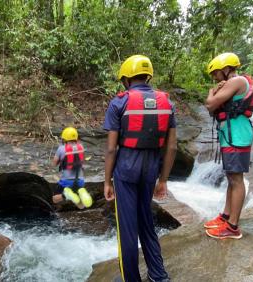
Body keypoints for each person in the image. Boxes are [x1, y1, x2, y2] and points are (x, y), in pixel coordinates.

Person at [103, 55, 176, 282]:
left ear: (126, 79)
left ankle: (131, 279)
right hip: (151, 170)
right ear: (148, 76)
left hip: (126, 170)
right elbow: (172, 147)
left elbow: (111, 149)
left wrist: (107, 181)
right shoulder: (167, 103)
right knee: (146, 220)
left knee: (127, 228)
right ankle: (158, 274)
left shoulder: (119, 102)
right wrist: (163, 180)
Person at [203, 53, 253, 239]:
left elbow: (210, 105)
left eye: (216, 73)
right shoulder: (233, 83)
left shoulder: (236, 81)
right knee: (231, 177)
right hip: (232, 135)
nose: (215, 77)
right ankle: (226, 216)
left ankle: (233, 227)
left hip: (237, 135)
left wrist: (212, 91)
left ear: (226, 69)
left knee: (236, 179)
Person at [52, 127, 93, 209]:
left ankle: (66, 195)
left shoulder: (61, 148)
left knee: (54, 199)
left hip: (66, 181)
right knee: (81, 206)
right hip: (80, 180)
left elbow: (54, 163)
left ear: (64, 138)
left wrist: (61, 160)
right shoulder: (81, 147)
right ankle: (81, 191)